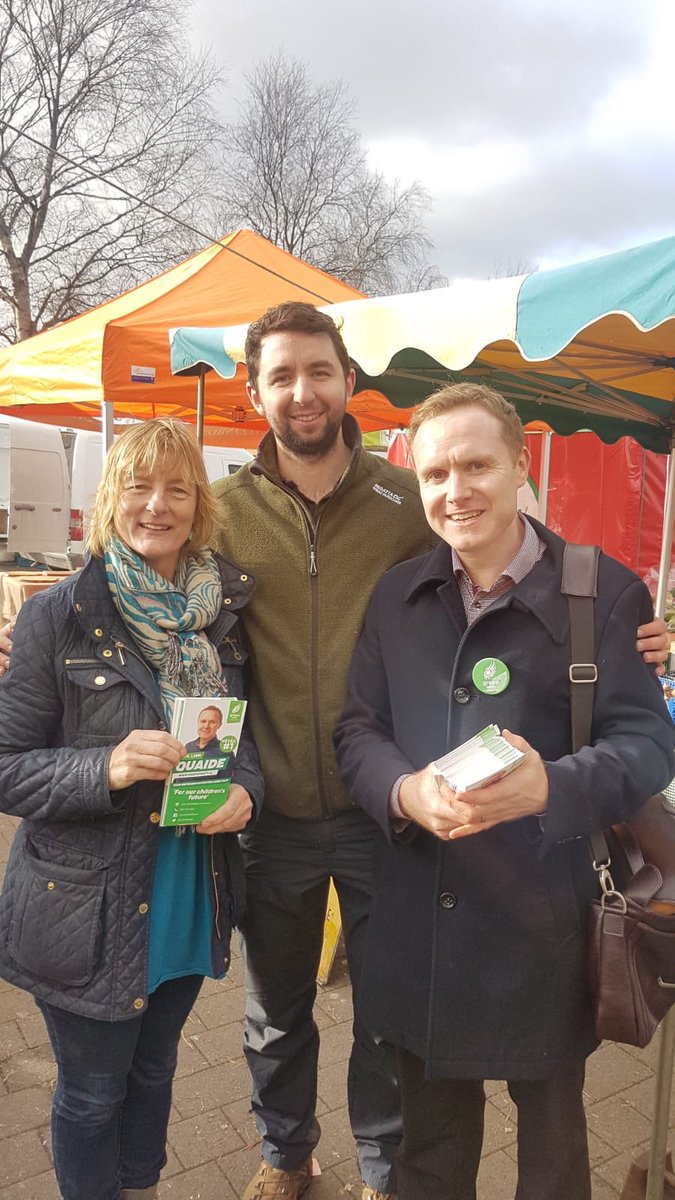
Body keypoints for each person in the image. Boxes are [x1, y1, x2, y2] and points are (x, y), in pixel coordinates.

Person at [0, 307, 668, 1198]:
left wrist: (631, 634)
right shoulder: (219, 513)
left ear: (349, 380)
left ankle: (384, 1171)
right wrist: (24, 632)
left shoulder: (405, 506)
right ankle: (287, 1156)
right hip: (268, 811)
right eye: (280, 376)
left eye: (317, 371)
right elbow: (137, 594)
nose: (301, 392)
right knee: (275, 1014)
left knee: (387, 1022)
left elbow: (513, 581)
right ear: (256, 392)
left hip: (384, 823)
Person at [334, 383, 675, 1200]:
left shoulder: (604, 591)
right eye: (436, 473)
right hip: (422, 918)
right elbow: (356, 732)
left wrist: (550, 788)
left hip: (546, 927)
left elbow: (647, 742)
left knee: (552, 1159)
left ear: (520, 463)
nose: (457, 491)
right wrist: (405, 792)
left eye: (477, 464)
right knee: (430, 1154)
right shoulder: (397, 596)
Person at [0, 418, 263, 1200]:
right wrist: (104, 767)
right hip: (88, 905)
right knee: (91, 1093)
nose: (158, 505)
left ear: (198, 505)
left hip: (190, 888)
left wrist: (246, 790)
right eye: (140, 486)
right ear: (112, 497)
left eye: (177, 488)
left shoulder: (224, 616)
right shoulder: (58, 616)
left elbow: (246, 738)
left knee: (155, 1072)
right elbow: (8, 769)